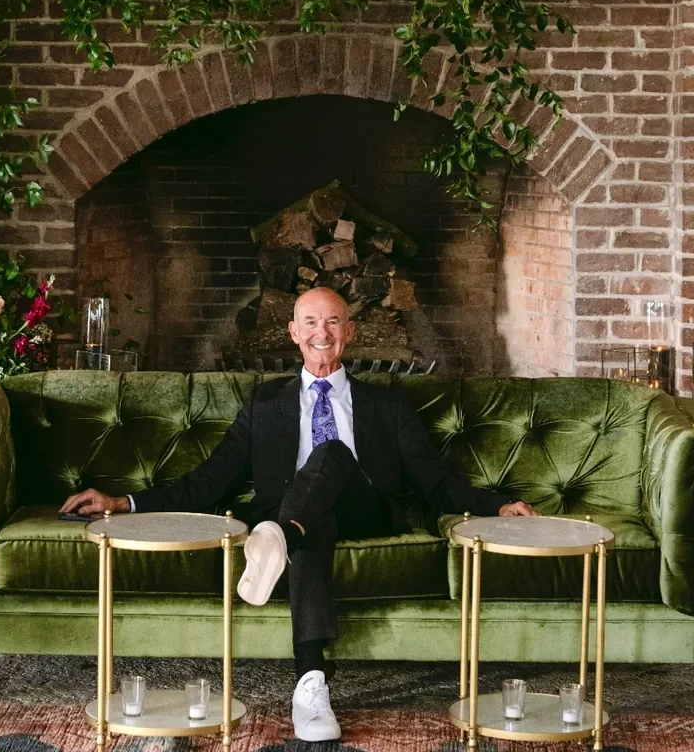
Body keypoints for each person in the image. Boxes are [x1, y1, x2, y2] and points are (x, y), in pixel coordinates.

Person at [61, 286, 537, 741]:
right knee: (313, 526)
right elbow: (211, 478)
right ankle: (311, 683)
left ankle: (279, 538)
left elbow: (434, 477)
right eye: (310, 322)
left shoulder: (386, 404)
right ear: (293, 332)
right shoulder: (265, 402)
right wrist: (125, 502)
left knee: (332, 454)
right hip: (301, 518)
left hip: (366, 509)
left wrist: (496, 505)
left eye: (333, 322)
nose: (321, 332)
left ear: (350, 332)